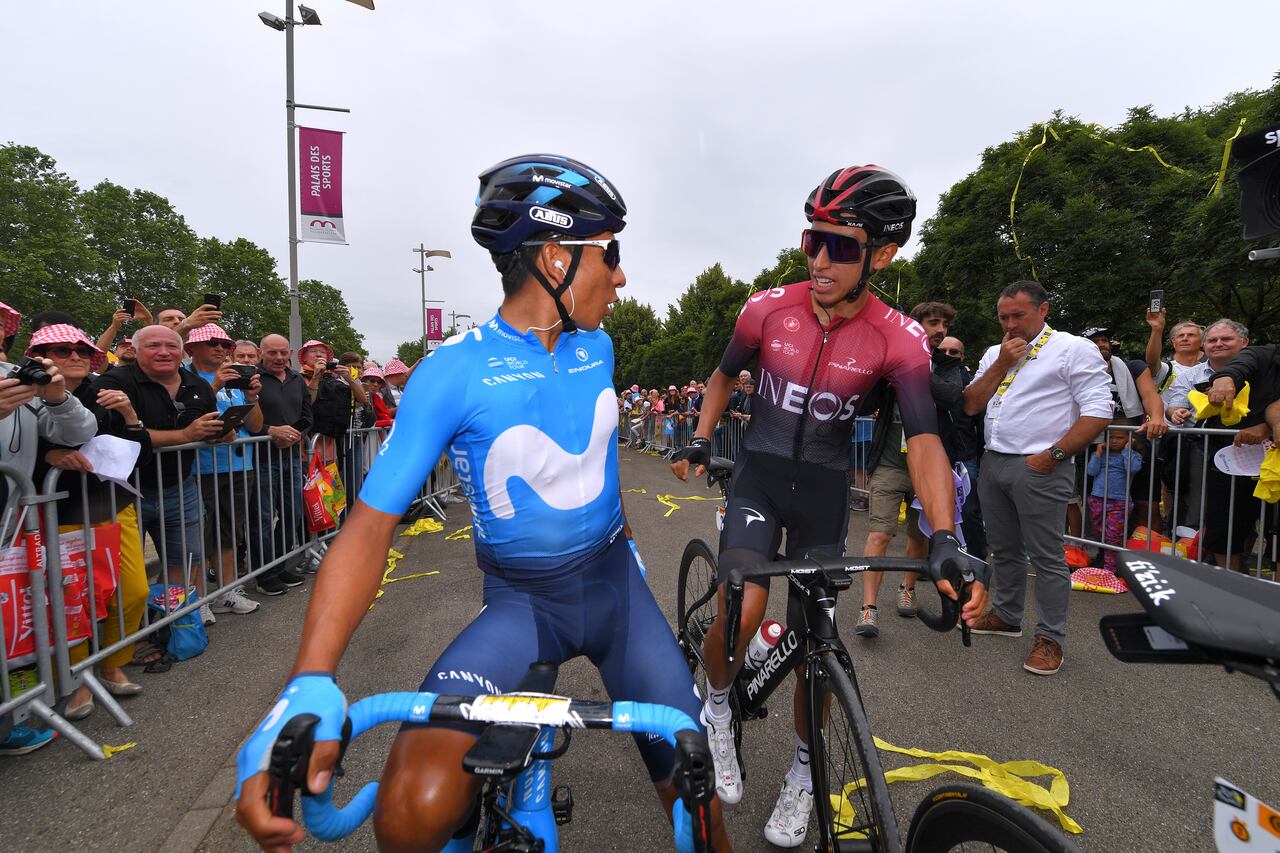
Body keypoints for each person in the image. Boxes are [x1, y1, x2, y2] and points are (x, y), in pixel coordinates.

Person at [235, 154, 731, 852]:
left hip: (618, 593)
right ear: (555, 259)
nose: (620, 276)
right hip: (524, 610)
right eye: (609, 254)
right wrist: (309, 678)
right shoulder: (450, 373)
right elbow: (367, 527)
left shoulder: (602, 347)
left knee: (703, 809)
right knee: (409, 813)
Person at [669, 165, 985, 847]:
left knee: (818, 643)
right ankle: (717, 703)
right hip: (759, 476)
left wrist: (944, 533)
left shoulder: (900, 338)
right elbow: (724, 375)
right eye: (813, 240)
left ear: (883, 254)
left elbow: (925, 439)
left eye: (840, 246)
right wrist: (698, 437)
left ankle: (805, 772)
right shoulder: (766, 307)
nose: (818, 259)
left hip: (822, 491)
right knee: (744, 606)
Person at [961, 280, 1112, 676]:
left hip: (1042, 464)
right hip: (994, 461)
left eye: (1018, 316)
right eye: (1003, 317)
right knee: (1004, 548)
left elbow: (1099, 411)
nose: (1009, 325)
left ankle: (1050, 638)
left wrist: (1054, 455)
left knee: (1046, 557)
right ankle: (1008, 616)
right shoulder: (996, 352)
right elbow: (972, 405)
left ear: (1043, 310)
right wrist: (1000, 364)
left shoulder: (1073, 347)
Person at [29, 324, 152, 716]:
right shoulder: (24, 394)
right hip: (61, 514)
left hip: (114, 506)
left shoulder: (106, 391)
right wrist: (47, 457)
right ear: (40, 357)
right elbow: (17, 451)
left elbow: (140, 454)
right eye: (63, 351)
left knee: (134, 591)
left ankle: (112, 662)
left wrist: (131, 416)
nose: (76, 356)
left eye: (82, 350)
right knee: (72, 602)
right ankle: (73, 680)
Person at [0, 301, 99, 756]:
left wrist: (57, 397)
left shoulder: (17, 377)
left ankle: (10, 716)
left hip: (13, 522)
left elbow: (78, 431)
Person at [95, 325, 221, 597]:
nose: (164, 352)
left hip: (180, 487)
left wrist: (218, 434)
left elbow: (205, 427)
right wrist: (186, 435)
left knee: (186, 561)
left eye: (171, 346)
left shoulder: (197, 385)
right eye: (153, 346)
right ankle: (132, 631)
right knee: (124, 571)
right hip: (124, 493)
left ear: (181, 351)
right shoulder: (114, 382)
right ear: (136, 350)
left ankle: (175, 623)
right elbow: (116, 435)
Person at [856, 301, 958, 638]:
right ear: (916, 326)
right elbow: (866, 402)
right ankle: (868, 608)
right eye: (932, 322)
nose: (939, 329)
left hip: (928, 466)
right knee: (880, 534)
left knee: (919, 536)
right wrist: (881, 370)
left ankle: (907, 589)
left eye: (944, 323)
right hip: (889, 463)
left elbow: (950, 396)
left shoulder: (946, 363)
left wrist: (917, 365)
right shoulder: (891, 364)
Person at [186, 323, 263, 615]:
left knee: (229, 533)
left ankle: (228, 592)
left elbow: (255, 426)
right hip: (199, 468)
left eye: (223, 343)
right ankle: (199, 599)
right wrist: (215, 385)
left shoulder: (237, 379)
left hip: (239, 464)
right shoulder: (185, 377)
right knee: (199, 538)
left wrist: (252, 396)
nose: (220, 348)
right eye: (212, 342)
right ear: (192, 347)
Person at [250, 334, 312, 594]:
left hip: (291, 458)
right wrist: (272, 432)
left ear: (289, 353)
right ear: (262, 353)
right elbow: (246, 420)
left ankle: (278, 564)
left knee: (292, 514)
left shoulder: (298, 380)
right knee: (263, 518)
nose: (278, 358)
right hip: (262, 459)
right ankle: (265, 574)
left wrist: (292, 435)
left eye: (282, 353)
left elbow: (308, 416)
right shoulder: (253, 379)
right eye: (272, 353)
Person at [938, 335, 987, 559]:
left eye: (953, 352)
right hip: (934, 456)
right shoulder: (926, 378)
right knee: (937, 511)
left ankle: (977, 558)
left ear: (962, 356)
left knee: (968, 510)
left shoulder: (972, 384)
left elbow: (981, 422)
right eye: (943, 351)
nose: (947, 356)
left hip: (965, 456)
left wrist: (979, 455)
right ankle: (937, 560)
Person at [1085, 427, 1142, 573]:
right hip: (1097, 498)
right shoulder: (1101, 455)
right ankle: (1103, 559)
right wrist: (1097, 453)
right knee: (1099, 531)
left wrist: (1127, 450)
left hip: (1119, 501)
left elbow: (1133, 468)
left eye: (1120, 438)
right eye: (1111, 437)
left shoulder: (1132, 455)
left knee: (1113, 536)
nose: (1114, 441)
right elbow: (1091, 471)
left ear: (1130, 439)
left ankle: (1109, 569)